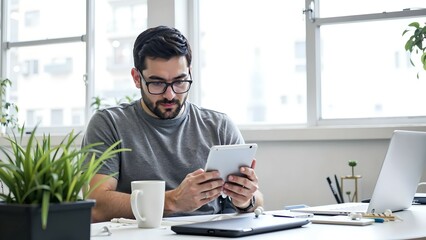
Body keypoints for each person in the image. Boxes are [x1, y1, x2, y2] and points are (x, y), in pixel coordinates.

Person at [82, 25, 264, 223]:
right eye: (157, 83)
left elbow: (257, 201)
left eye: (180, 81)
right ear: (136, 78)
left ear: (190, 73)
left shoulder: (219, 126)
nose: (170, 95)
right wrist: (172, 201)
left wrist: (246, 200)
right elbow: (96, 205)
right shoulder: (110, 124)